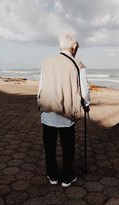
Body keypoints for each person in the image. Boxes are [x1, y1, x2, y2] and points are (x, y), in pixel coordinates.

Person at [37, 33, 90, 187]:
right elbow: (84, 92)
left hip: (47, 113)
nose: (77, 48)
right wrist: (86, 104)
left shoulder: (46, 62)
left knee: (50, 146)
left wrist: (40, 104)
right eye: (77, 46)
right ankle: (67, 177)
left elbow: (41, 87)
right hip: (67, 115)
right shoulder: (78, 64)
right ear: (73, 47)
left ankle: (52, 175)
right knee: (68, 147)